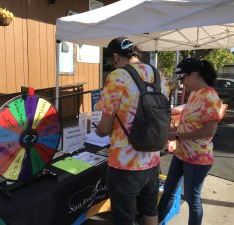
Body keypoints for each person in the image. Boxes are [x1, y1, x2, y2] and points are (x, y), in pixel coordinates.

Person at [95, 36, 170, 225]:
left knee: (124, 218)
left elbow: (104, 127)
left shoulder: (117, 76)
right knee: (150, 211)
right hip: (153, 160)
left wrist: (99, 131)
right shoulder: (158, 74)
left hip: (124, 164)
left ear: (114, 57)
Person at [158, 58, 223, 225]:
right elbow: (188, 124)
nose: (182, 83)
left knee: (192, 199)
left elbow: (209, 131)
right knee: (169, 191)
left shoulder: (210, 96)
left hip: (198, 158)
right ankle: (155, 222)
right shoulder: (195, 94)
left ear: (195, 74)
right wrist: (169, 132)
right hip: (182, 153)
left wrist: (177, 136)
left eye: (183, 78)